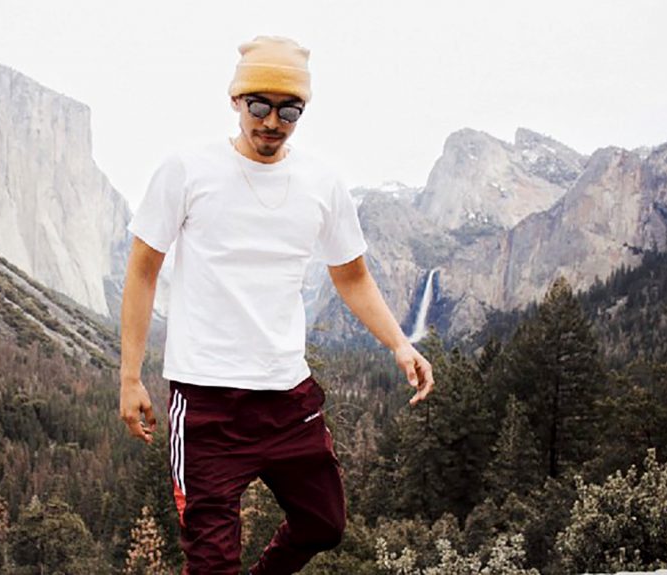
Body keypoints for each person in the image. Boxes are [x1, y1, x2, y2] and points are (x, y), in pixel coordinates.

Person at [119, 35, 435, 575]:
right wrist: (129, 377)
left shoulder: (321, 183)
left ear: (302, 111)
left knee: (324, 523)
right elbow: (143, 270)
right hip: (207, 403)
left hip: (288, 396)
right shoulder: (188, 171)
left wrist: (400, 344)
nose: (272, 121)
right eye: (259, 105)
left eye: (288, 109)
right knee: (212, 563)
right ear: (236, 101)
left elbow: (352, 276)